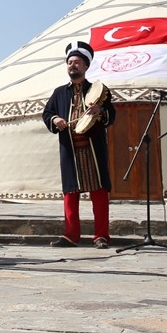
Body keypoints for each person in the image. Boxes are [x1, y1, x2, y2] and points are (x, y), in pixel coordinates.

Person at [42, 41, 115, 249]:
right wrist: (55, 119)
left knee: (99, 192)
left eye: (77, 62)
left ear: (86, 66)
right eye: (70, 62)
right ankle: (71, 235)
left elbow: (111, 114)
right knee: (70, 193)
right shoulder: (59, 93)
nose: (72, 65)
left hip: (92, 149)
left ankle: (101, 236)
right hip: (70, 150)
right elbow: (47, 114)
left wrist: (100, 111)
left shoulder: (99, 90)